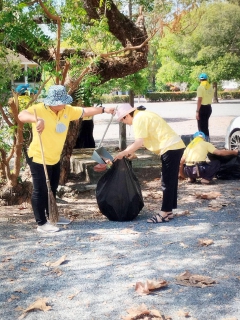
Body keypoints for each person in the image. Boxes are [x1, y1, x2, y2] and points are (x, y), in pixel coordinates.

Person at [18, 85, 115, 233]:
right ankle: (41, 223)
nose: (63, 104)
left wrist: (104, 110)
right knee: (41, 190)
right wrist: (36, 120)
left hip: (55, 157)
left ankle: (53, 216)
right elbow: (21, 115)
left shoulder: (67, 110)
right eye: (61, 102)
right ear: (52, 102)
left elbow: (84, 111)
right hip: (39, 157)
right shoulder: (38, 109)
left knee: (53, 188)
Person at [114, 103, 185, 224]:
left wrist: (124, 152)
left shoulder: (138, 119)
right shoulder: (143, 115)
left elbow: (139, 142)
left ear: (126, 116)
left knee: (167, 181)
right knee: (170, 179)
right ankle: (168, 211)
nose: (124, 123)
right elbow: (148, 138)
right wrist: (132, 153)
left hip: (170, 147)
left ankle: (164, 213)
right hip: (174, 145)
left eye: (122, 120)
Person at [196, 73, 214, 142]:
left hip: (202, 108)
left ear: (200, 79)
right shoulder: (210, 87)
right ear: (206, 79)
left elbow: (200, 100)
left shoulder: (200, 87)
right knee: (205, 126)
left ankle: (203, 142)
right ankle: (207, 141)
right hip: (209, 108)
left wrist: (197, 111)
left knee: (201, 127)